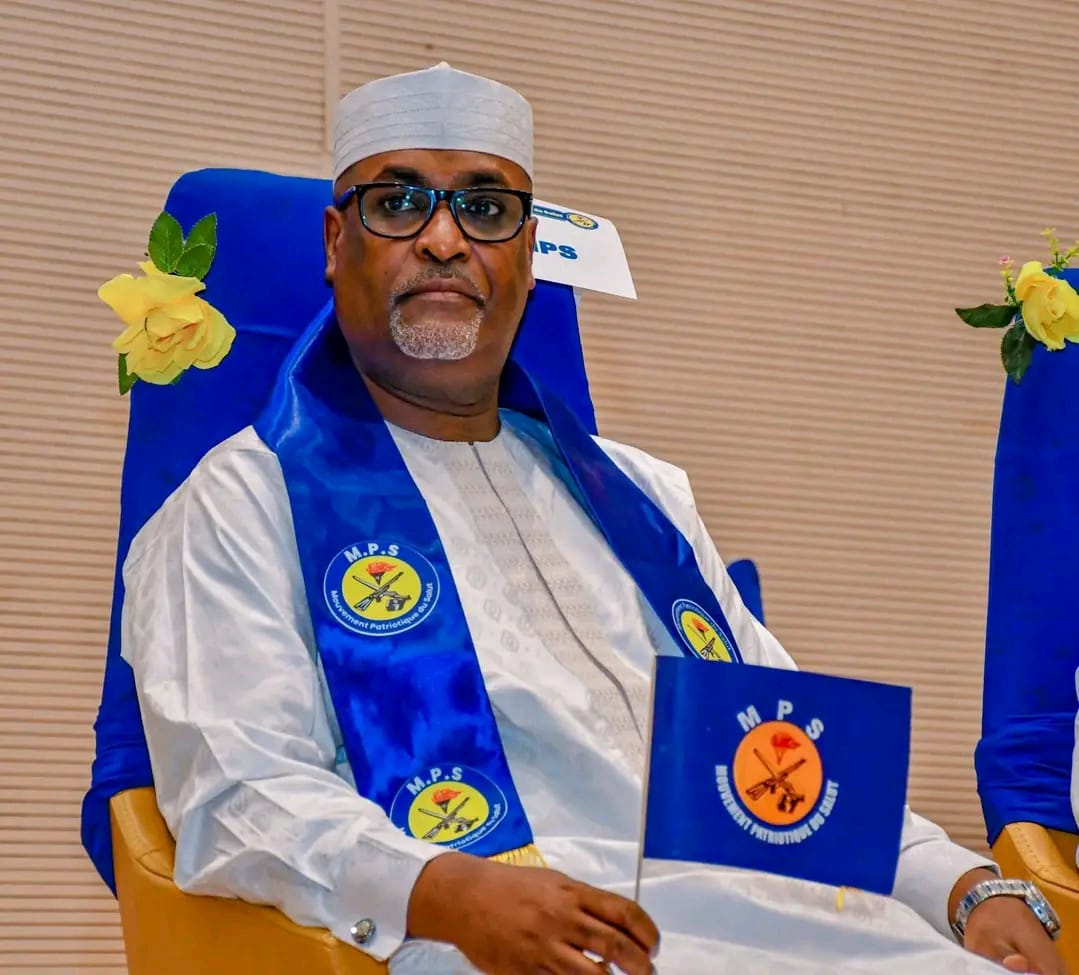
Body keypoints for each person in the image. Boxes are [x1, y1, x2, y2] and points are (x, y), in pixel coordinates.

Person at [121, 63, 1067, 975]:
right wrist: (445, 891)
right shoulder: (241, 503)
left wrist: (958, 882)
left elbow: (779, 744)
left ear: (528, 255)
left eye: (485, 207)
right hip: (499, 938)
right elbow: (237, 789)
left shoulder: (642, 496)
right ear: (336, 243)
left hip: (790, 922)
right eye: (398, 202)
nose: (444, 239)